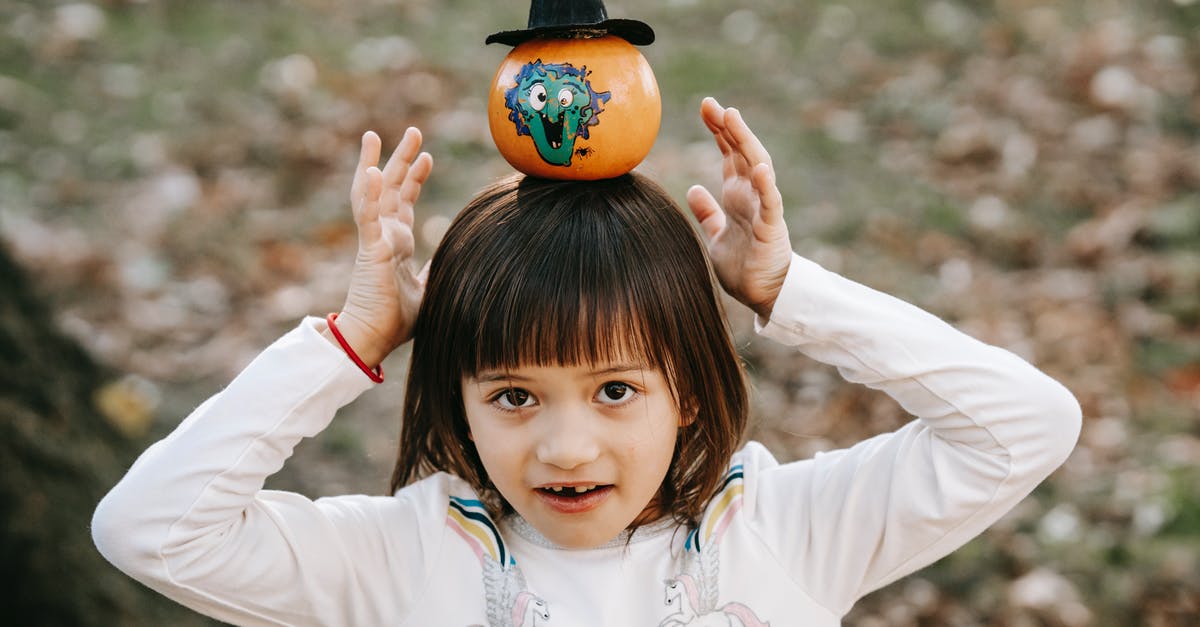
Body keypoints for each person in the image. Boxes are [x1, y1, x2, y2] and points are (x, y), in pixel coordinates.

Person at [92, 98, 1082, 626]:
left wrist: (788, 291)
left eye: (615, 390)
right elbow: (148, 531)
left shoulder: (780, 531)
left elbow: (1026, 425)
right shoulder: (399, 558)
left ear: (686, 390)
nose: (567, 446)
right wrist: (354, 340)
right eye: (514, 395)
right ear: (459, 400)